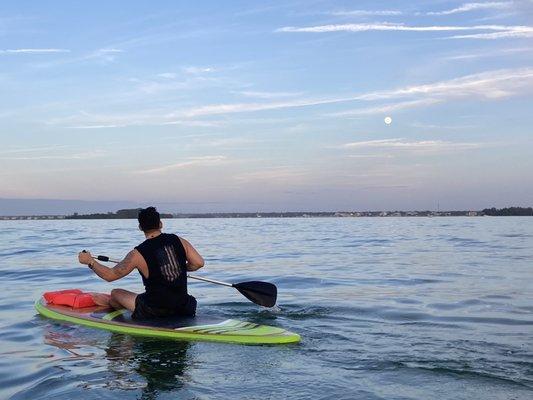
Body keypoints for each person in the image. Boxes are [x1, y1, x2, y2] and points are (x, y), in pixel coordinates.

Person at [78, 207, 204, 319]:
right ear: (160, 224)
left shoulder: (137, 254)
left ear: (140, 227)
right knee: (150, 295)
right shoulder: (179, 240)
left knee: (115, 293)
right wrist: (180, 268)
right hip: (185, 307)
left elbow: (110, 275)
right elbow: (198, 263)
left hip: (156, 311)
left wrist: (90, 261)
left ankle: (111, 304)